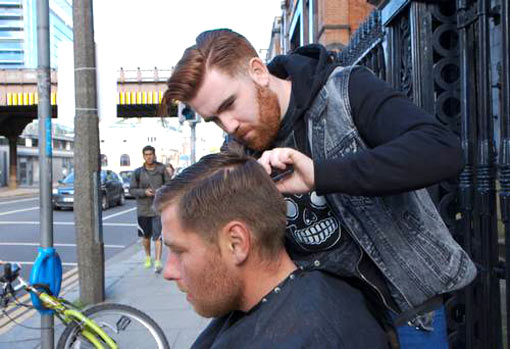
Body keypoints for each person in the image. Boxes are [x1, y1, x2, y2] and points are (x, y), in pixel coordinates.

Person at [160, 29, 477, 348]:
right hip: (326, 319)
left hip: (407, 309)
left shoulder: (345, 91)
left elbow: (442, 151)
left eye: (230, 104)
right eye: (214, 119)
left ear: (258, 71)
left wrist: (321, 174)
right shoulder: (241, 152)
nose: (229, 126)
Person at [154, 151, 390, 348]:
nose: (169, 271)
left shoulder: (311, 335)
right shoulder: (334, 298)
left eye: (179, 251)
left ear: (236, 243)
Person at [129, 145, 171, 273]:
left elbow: (170, 185)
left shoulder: (162, 169)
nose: (149, 157)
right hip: (143, 209)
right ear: (143, 156)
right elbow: (131, 190)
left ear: (154, 155)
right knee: (146, 237)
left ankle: (157, 261)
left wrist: (160, 191)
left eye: (151, 154)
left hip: (158, 208)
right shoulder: (137, 172)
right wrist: (144, 192)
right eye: (146, 154)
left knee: (158, 236)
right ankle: (148, 257)